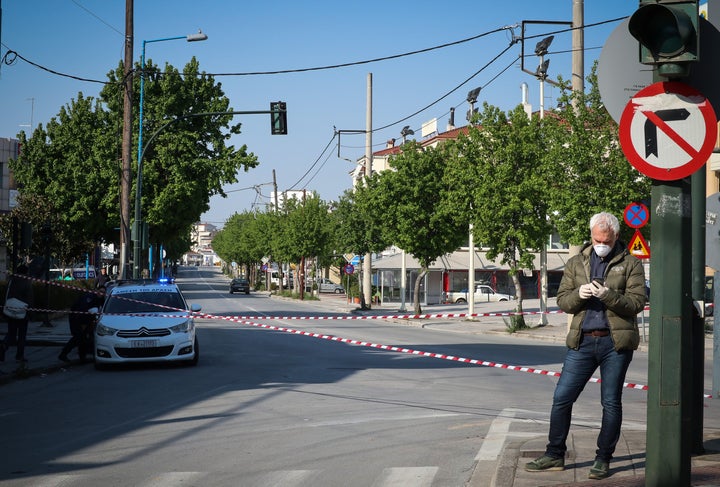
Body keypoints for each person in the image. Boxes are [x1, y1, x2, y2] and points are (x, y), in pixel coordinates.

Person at [525, 212, 646, 480]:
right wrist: (578, 295)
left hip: (615, 344)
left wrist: (608, 295)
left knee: (611, 402)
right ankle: (555, 454)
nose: (601, 243)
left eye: (606, 239)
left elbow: (637, 303)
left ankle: (603, 459)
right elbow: (563, 301)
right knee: (561, 398)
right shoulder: (576, 262)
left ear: (615, 236)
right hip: (582, 341)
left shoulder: (630, 264)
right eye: (596, 239)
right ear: (591, 235)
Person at [59, 285, 105, 363]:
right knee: (78, 337)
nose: (102, 293)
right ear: (97, 291)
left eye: (104, 292)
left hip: (85, 320)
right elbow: (82, 310)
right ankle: (63, 354)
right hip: (77, 319)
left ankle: (82, 358)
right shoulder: (90, 297)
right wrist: (83, 324)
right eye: (100, 291)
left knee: (82, 339)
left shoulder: (99, 299)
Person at [1, 264, 33, 363]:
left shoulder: (12, 280)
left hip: (11, 309)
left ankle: (4, 345)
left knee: (11, 333)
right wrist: (31, 310)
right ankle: (19, 356)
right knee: (22, 335)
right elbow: (30, 297)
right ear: (26, 272)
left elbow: (6, 294)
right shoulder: (26, 282)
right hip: (22, 311)